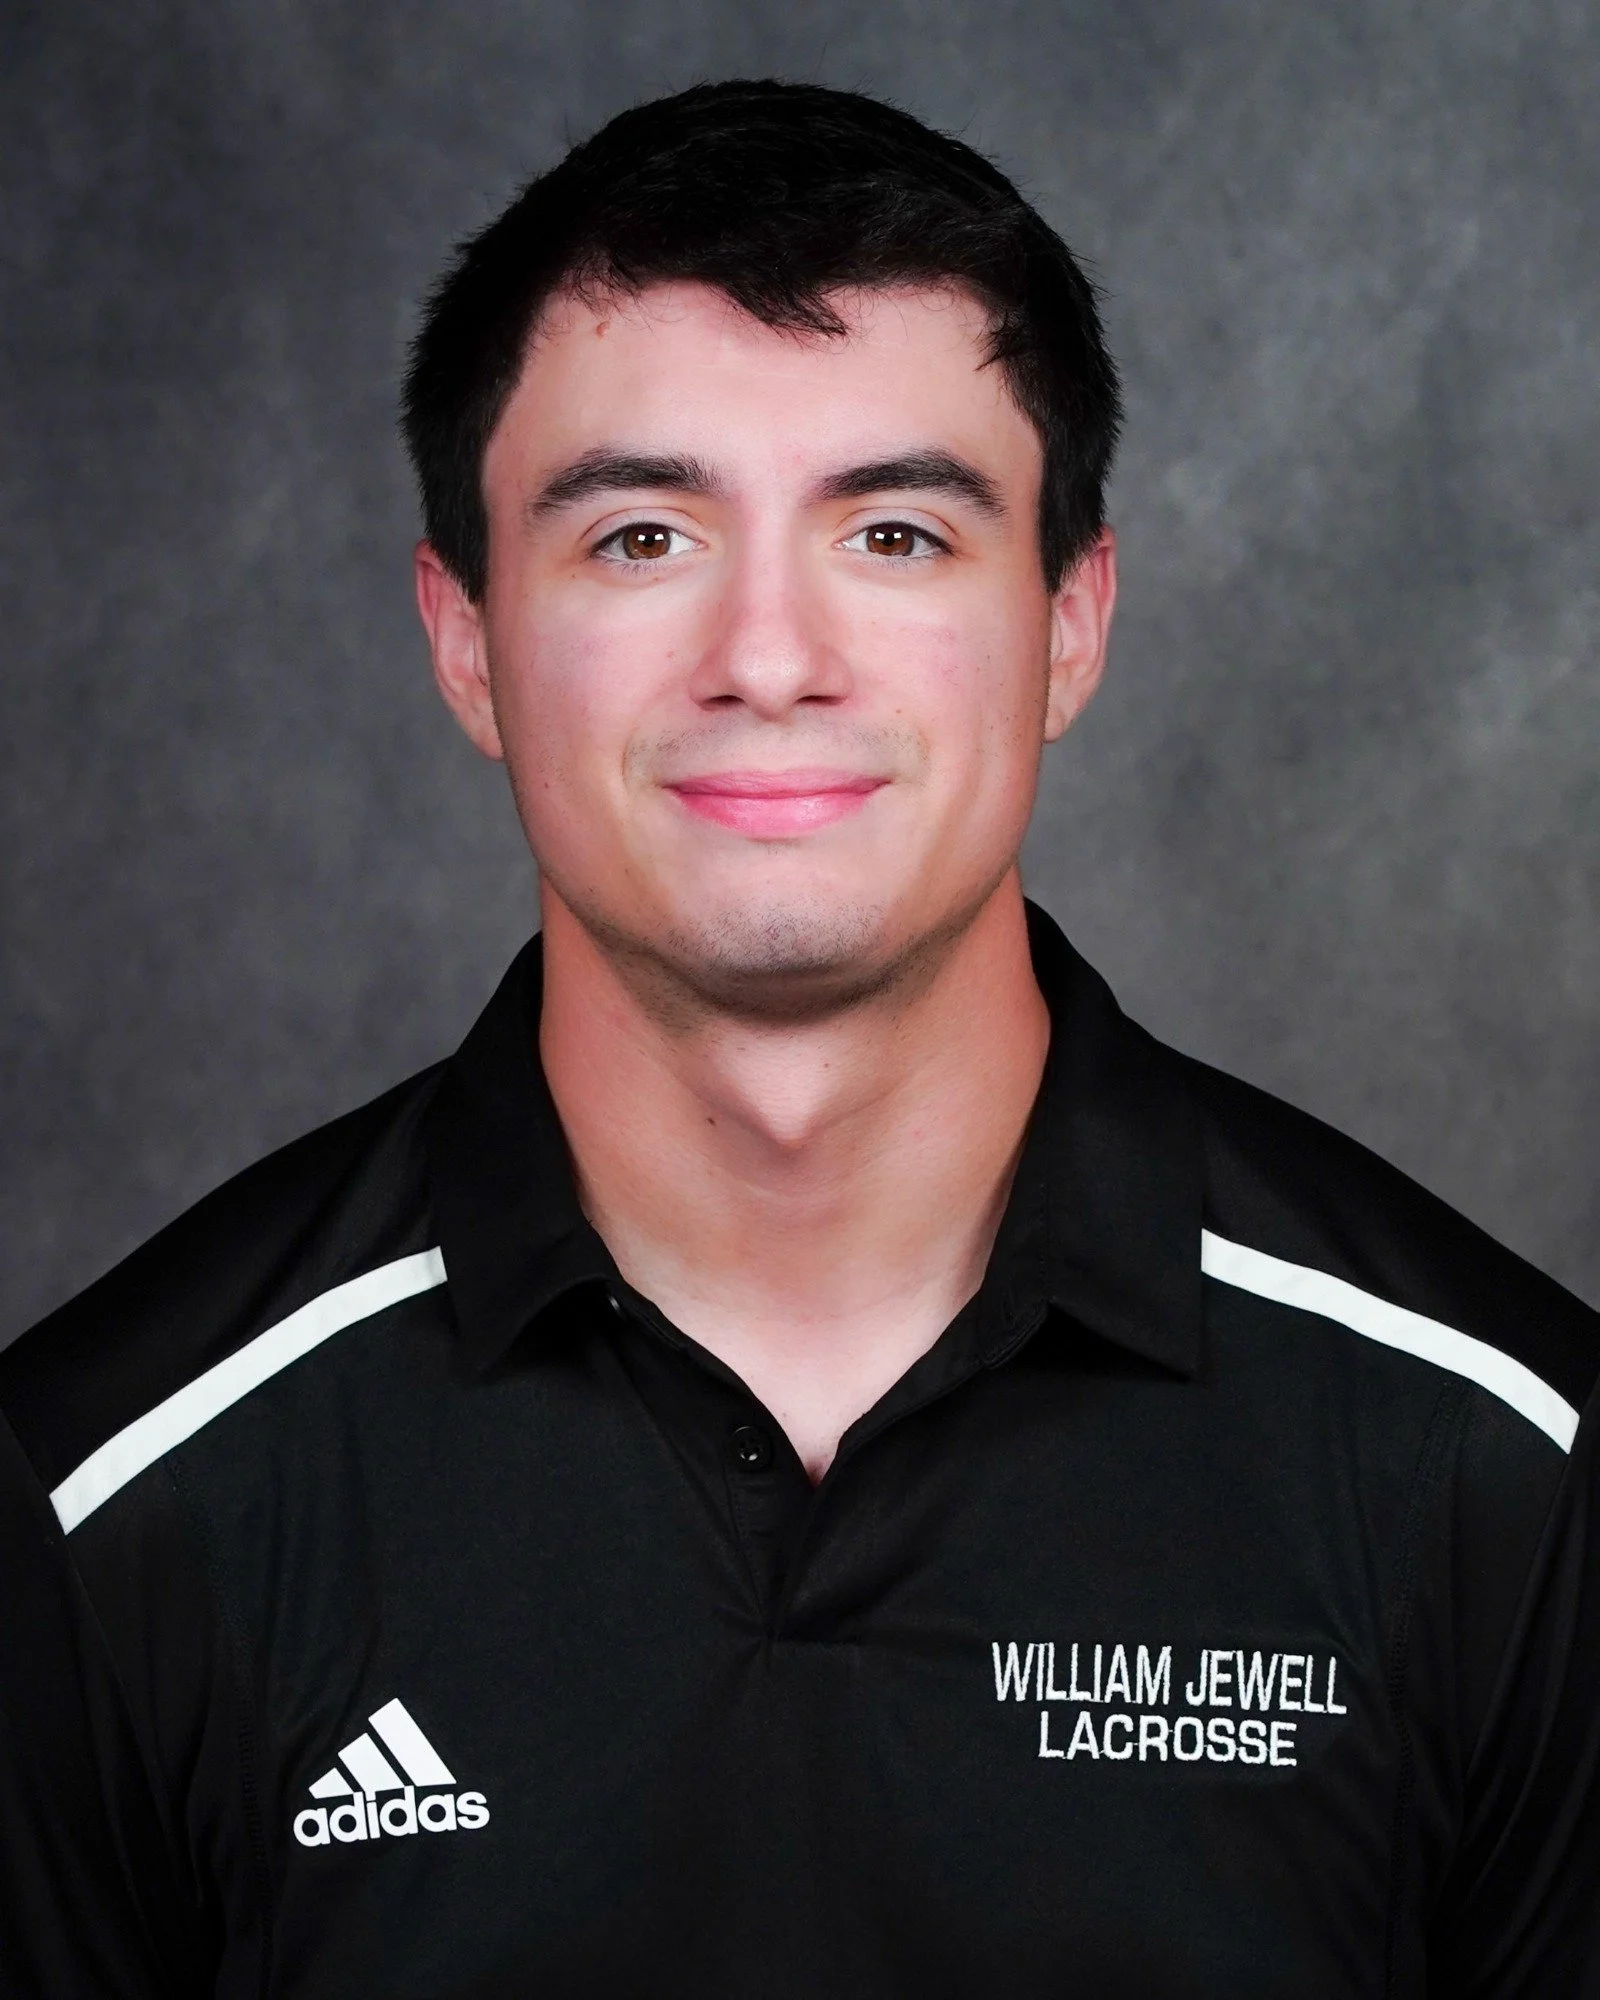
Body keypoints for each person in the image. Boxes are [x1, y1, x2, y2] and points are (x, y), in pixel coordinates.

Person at [1, 77, 1595, 1999]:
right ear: (464, 638)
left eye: (900, 534)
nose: (769, 656)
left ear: (1072, 621)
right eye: (645, 538)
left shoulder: (1508, 1469)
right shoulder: (101, 1502)